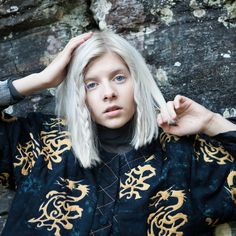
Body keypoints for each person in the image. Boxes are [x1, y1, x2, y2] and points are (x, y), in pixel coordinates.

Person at [0, 31, 235, 236]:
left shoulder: (184, 157)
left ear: (138, 81)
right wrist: (40, 80)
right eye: (91, 84)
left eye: (119, 78)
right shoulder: (38, 143)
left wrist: (212, 122)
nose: (108, 92)